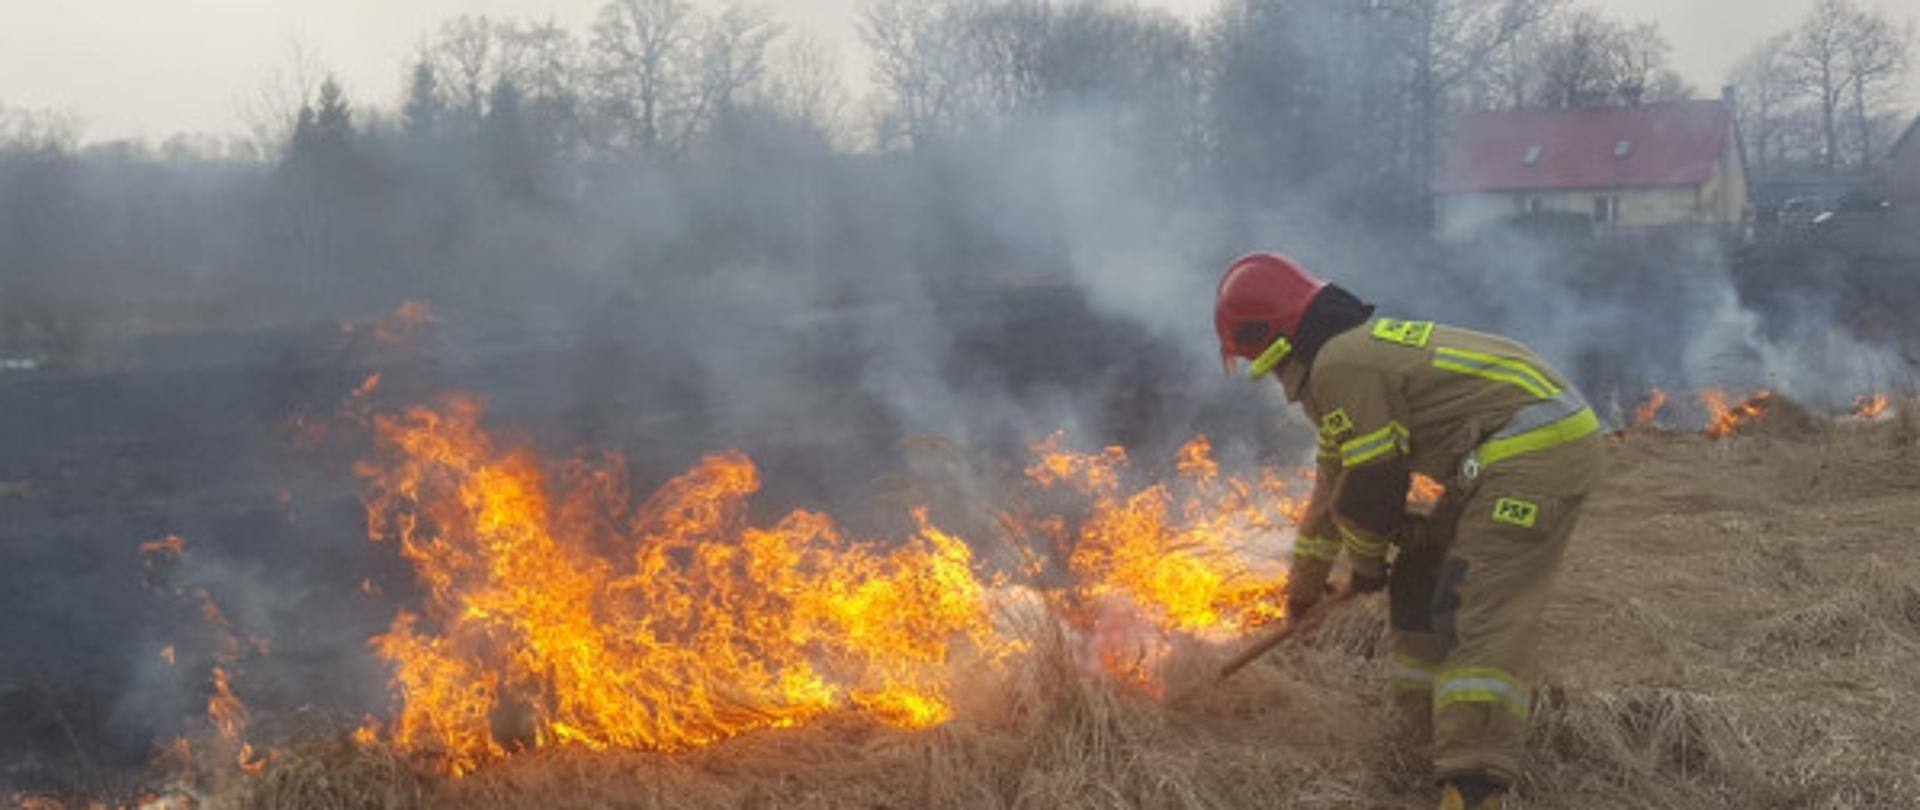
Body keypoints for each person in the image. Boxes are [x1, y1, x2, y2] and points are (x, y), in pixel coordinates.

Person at [1213, 253, 1603, 810]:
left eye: (1260, 361)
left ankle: (1472, 781)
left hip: (1537, 454)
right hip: (1496, 457)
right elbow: (1333, 482)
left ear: (1272, 341)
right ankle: (1423, 739)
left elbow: (1374, 484)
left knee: (1472, 608)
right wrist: (1304, 588)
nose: (1272, 378)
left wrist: (1367, 568)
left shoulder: (1338, 367)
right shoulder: (1342, 360)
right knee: (1420, 575)